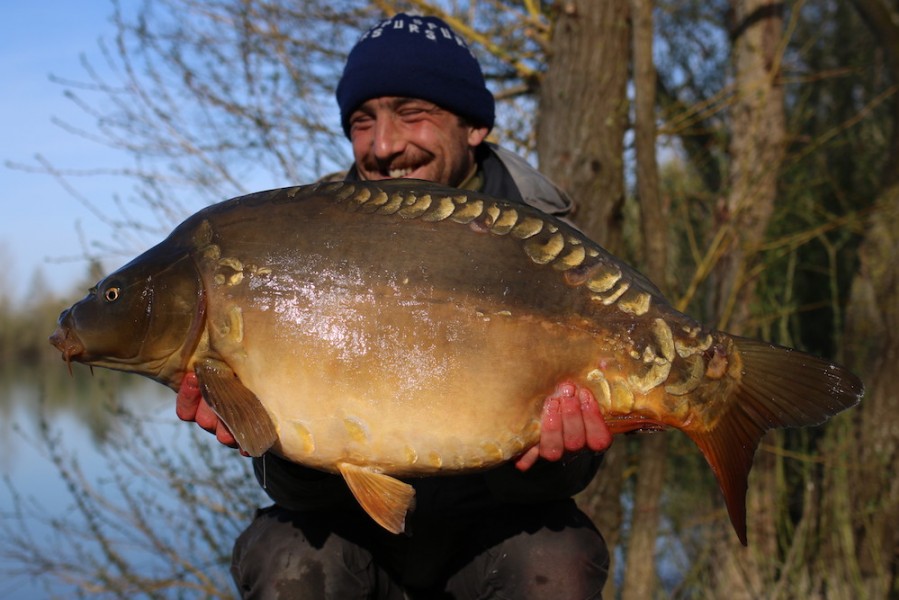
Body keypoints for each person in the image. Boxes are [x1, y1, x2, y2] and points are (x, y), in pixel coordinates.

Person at [176, 13, 613, 599]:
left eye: (413, 113)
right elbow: (297, 494)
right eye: (363, 121)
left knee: (557, 558)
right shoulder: (302, 241)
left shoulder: (550, 251)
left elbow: (566, 483)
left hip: (496, 529)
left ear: (475, 126)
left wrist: (553, 454)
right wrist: (261, 432)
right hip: (354, 534)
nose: (385, 146)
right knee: (284, 556)